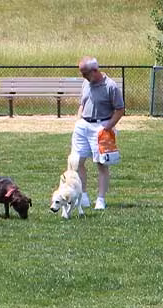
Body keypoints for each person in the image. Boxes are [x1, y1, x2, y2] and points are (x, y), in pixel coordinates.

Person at [71, 56, 125, 211]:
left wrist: (108, 126)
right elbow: (83, 103)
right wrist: (79, 119)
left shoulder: (111, 86)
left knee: (101, 164)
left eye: (85, 73)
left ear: (95, 71)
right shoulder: (86, 83)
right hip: (83, 125)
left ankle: (100, 199)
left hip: (101, 126)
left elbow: (120, 109)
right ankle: (84, 196)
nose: (83, 77)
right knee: (78, 161)